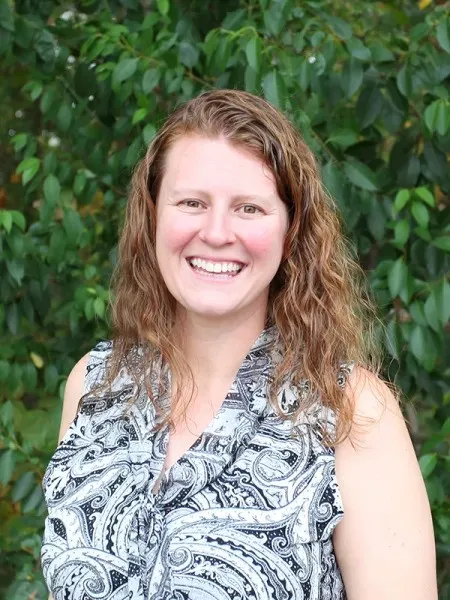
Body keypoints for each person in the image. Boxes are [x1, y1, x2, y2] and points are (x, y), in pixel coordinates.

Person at [41, 89, 437, 600]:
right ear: (153, 216)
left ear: (291, 232)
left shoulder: (350, 413)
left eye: (249, 208)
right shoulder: (95, 384)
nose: (217, 232)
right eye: (192, 203)